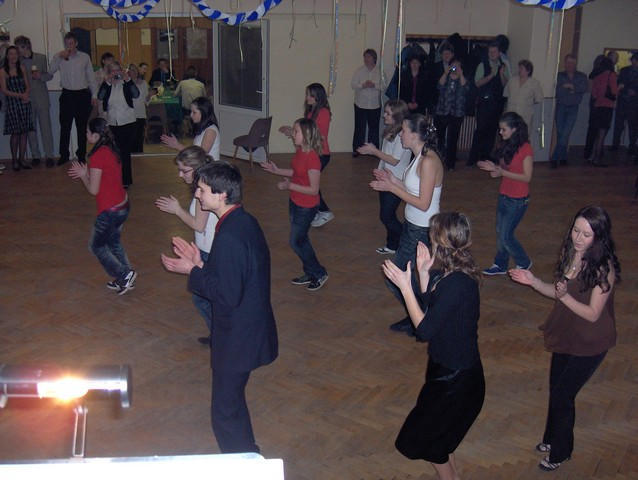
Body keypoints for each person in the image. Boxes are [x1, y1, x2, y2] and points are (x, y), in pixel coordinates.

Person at [161, 162, 278, 454]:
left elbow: (226, 295)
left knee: (224, 413)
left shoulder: (229, 236)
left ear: (222, 194)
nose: (197, 195)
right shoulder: (243, 222)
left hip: (238, 338)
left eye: (201, 190)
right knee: (232, 403)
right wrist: (200, 263)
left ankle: (241, 463)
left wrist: (192, 271)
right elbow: (233, 277)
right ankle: (248, 454)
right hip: (249, 330)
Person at [509, 205, 620, 472]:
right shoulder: (570, 253)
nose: (578, 238)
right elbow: (557, 291)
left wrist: (564, 296)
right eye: (575, 230)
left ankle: (561, 451)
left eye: (586, 234)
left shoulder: (603, 269)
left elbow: (593, 314)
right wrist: (534, 282)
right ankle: (551, 438)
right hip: (566, 331)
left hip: (591, 342)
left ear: (599, 237)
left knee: (563, 395)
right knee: (555, 388)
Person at [382, 212, 484, 480]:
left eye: (432, 237)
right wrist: (423, 272)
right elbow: (432, 308)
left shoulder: (458, 284)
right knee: (441, 438)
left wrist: (406, 287)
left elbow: (425, 330)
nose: (429, 241)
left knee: (431, 444)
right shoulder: (451, 272)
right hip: (446, 371)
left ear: (441, 242)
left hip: (457, 381)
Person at [370, 113, 444, 336]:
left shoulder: (429, 161)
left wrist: (392, 188)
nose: (400, 134)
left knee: (396, 277)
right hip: (412, 226)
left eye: (403, 131)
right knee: (404, 276)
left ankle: (420, 317)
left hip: (421, 229)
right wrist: (393, 180)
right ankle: (417, 316)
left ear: (414, 134)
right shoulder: (419, 156)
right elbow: (413, 189)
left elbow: (423, 203)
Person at [67, 117, 137, 295]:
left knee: (96, 246)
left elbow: (93, 189)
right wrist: (87, 172)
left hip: (110, 211)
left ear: (96, 135)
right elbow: (106, 178)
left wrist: (83, 175)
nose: (86, 135)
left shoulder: (98, 155)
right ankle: (126, 276)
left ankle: (124, 274)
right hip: (123, 205)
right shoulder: (111, 148)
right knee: (113, 242)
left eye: (88, 132)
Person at [155, 146, 217, 344]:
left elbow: (199, 225)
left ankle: (222, 337)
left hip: (211, 252)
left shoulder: (204, 189)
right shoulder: (204, 184)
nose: (180, 175)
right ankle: (220, 336)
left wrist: (177, 210)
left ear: (196, 168)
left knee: (204, 298)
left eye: (184, 170)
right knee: (206, 297)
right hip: (207, 250)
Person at [261, 118, 329, 291]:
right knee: (301, 239)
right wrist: (277, 171)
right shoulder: (300, 151)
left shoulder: (312, 158)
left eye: (296, 131)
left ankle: (319, 273)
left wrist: (289, 186)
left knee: (295, 241)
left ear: (306, 135)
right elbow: (296, 172)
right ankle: (311, 272)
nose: (293, 134)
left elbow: (314, 190)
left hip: (307, 207)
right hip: (295, 201)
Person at [478, 111, 533, 275]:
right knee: (500, 232)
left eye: (504, 129)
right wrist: (495, 170)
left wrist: (501, 172)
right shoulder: (506, 145)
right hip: (505, 194)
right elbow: (504, 170)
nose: (500, 133)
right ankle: (500, 264)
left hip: (518, 199)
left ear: (514, 129)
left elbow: (527, 177)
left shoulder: (526, 148)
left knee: (506, 235)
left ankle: (524, 261)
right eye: (500, 129)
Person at [357, 99, 412, 255]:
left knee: (386, 216)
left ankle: (408, 239)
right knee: (387, 215)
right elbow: (386, 156)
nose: (384, 116)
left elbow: (394, 160)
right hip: (386, 178)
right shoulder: (390, 131)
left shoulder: (401, 135)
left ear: (397, 115)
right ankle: (393, 245)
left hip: (396, 181)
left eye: (388, 113)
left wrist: (373, 151)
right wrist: (380, 169)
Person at [279, 83, 333, 227]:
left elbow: (318, 135)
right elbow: (307, 134)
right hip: (311, 152)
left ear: (318, 96)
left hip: (321, 153)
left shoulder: (323, 112)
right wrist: (292, 132)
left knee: (311, 184)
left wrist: (294, 133)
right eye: (307, 94)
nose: (307, 97)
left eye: (310, 95)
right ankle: (317, 210)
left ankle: (324, 211)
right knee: (308, 181)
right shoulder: (311, 112)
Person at [49, 31, 98, 166]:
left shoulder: (85, 57)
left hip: (82, 95)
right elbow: (51, 71)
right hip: (67, 95)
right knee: (65, 127)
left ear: (76, 43)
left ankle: (81, 155)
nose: (69, 46)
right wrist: (59, 57)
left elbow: (91, 77)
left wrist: (94, 95)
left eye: (71, 43)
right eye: (67, 44)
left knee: (81, 127)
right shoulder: (59, 56)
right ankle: (64, 155)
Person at [15, 35, 55, 168]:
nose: (17, 51)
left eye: (18, 48)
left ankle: (49, 155)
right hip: (27, 99)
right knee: (31, 130)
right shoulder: (17, 61)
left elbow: (49, 75)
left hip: (42, 98)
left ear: (25, 46)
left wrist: (40, 76)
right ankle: (35, 156)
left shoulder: (41, 58)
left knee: (46, 128)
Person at [97, 61, 140, 188]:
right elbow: (100, 97)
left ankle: (126, 180)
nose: (116, 73)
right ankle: (115, 178)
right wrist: (107, 82)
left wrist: (128, 80)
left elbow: (136, 94)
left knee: (125, 152)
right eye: (113, 70)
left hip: (127, 122)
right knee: (114, 153)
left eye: (118, 70)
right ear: (109, 72)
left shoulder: (126, 84)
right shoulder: (107, 85)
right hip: (112, 123)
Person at [468, 41, 509, 166]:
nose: (492, 54)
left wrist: (501, 74)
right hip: (484, 103)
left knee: (492, 131)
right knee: (480, 130)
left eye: (494, 52)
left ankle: (485, 156)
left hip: (497, 103)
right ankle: (473, 159)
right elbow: (477, 83)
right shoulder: (482, 65)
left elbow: (505, 85)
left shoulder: (503, 66)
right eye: (490, 52)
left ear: (499, 53)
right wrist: (491, 75)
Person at [550, 54, 588, 168]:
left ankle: (554, 158)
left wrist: (572, 87)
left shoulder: (581, 76)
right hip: (560, 107)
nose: (570, 65)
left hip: (573, 107)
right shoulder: (559, 76)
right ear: (564, 63)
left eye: (572, 63)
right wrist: (570, 89)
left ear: (575, 64)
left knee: (565, 133)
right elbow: (556, 91)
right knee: (561, 133)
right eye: (568, 62)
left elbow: (584, 88)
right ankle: (563, 157)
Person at [0, 45, 34, 171]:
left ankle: (22, 159)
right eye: (11, 54)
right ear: (7, 56)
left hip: (24, 103)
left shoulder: (22, 68)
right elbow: (4, 90)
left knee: (24, 132)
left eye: (15, 54)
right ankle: (14, 160)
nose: (13, 56)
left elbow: (28, 85)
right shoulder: (2, 71)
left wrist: (26, 94)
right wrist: (21, 95)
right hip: (13, 104)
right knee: (15, 133)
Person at [434, 59, 469, 171]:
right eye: (453, 66)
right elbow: (439, 86)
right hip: (442, 111)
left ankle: (450, 164)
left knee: (453, 139)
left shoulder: (463, 79)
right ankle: (438, 161)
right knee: (440, 138)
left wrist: (461, 74)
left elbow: (466, 89)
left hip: (457, 113)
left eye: (457, 66)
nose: (455, 68)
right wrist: (445, 73)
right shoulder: (446, 77)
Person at [161, 96, 220, 161]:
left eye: (194, 112)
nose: (191, 115)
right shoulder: (203, 128)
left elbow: (201, 155)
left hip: (210, 167)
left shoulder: (210, 131)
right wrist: (177, 145)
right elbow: (196, 151)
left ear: (204, 112)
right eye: (191, 111)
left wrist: (178, 145)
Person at [351, 48, 383, 155]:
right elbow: (353, 85)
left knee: (374, 129)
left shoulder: (380, 71)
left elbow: (384, 86)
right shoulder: (359, 71)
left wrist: (374, 85)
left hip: (374, 105)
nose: (366, 59)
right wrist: (363, 85)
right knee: (359, 128)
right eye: (365, 57)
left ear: (374, 58)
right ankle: (357, 150)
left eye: (368, 57)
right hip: (360, 104)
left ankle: (373, 152)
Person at [588, 56, 618, 167]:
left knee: (597, 133)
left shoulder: (597, 75)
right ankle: (597, 158)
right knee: (602, 134)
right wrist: (620, 88)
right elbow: (614, 92)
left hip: (597, 106)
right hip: (607, 107)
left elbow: (594, 93)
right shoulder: (611, 75)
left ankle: (592, 156)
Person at [504, 60, 544, 130]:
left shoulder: (534, 83)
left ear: (528, 71)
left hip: (525, 115)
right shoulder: (512, 80)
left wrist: (526, 102)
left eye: (521, 68)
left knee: (523, 133)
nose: (519, 70)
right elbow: (506, 94)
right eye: (519, 68)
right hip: (511, 113)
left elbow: (539, 98)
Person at [611, 52, 638, 155]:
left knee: (633, 127)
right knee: (618, 125)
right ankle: (615, 145)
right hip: (622, 101)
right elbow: (618, 84)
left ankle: (632, 146)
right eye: (634, 60)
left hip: (635, 103)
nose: (635, 63)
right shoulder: (624, 70)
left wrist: (635, 92)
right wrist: (626, 90)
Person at [127, 64, 148, 154]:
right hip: (129, 114)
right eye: (131, 70)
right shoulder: (125, 83)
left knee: (139, 137)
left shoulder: (144, 83)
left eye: (135, 69)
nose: (134, 72)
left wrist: (150, 95)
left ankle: (139, 156)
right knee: (130, 137)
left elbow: (146, 101)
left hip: (140, 113)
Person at [429, 43, 455, 113]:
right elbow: (432, 86)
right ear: (441, 55)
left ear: (452, 55)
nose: (446, 55)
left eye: (448, 53)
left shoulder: (456, 66)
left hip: (453, 103)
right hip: (438, 102)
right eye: (444, 54)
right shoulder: (435, 67)